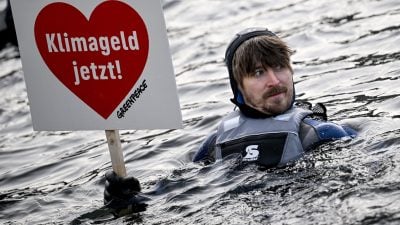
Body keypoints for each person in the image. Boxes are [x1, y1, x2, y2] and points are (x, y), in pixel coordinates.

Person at [103, 27, 357, 213]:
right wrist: (130, 198)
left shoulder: (320, 134)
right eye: (258, 72)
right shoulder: (216, 144)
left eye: (279, 67)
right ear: (238, 88)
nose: (274, 80)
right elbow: (176, 192)